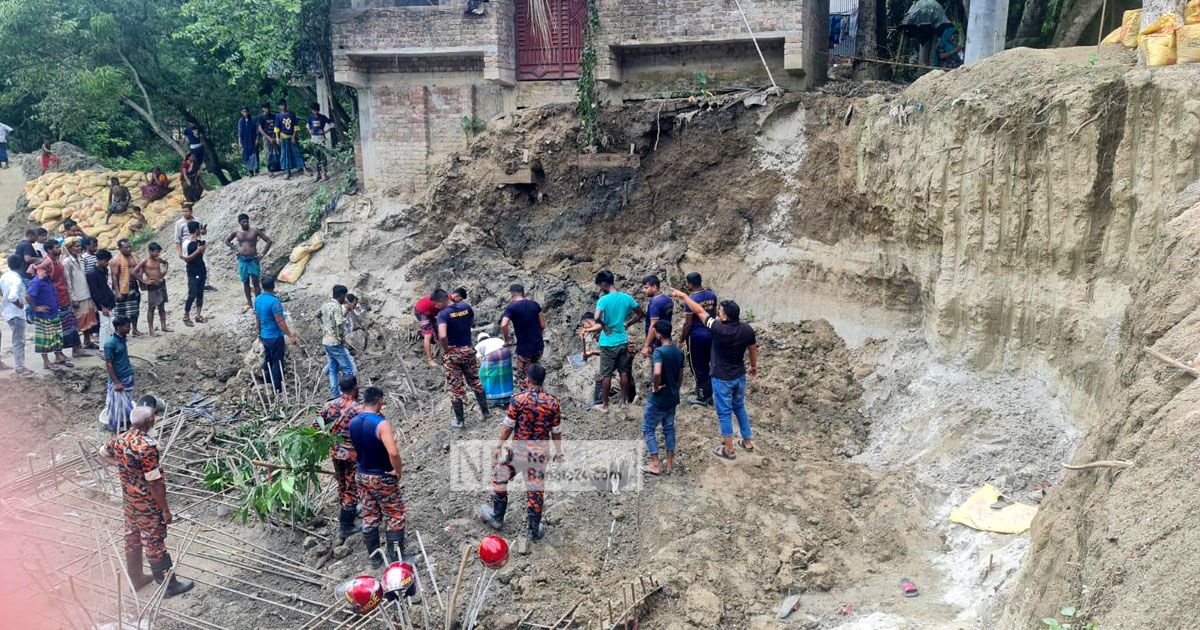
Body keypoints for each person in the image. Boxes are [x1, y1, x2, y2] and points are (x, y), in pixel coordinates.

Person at [99, 404, 195, 597]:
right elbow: (155, 483)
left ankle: (136, 579)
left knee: (132, 536)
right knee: (154, 541)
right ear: (150, 422)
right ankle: (169, 586)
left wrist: (124, 467)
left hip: (129, 500)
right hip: (147, 503)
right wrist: (165, 510)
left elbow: (103, 453)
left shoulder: (120, 438)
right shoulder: (147, 447)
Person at [479, 364, 563, 542]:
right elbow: (556, 430)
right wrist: (559, 451)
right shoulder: (553, 402)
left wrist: (498, 446)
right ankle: (533, 531)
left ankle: (497, 516)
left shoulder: (518, 400)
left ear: (527, 380)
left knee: (500, 477)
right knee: (535, 491)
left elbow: (508, 426)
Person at [672, 289, 759, 460]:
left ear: (725, 317)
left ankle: (729, 450)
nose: (717, 312)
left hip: (722, 378)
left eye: (720, 311)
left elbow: (698, 311)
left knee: (724, 412)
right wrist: (753, 366)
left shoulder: (718, 329)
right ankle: (747, 442)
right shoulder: (747, 329)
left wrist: (683, 297)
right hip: (739, 375)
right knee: (739, 407)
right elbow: (752, 348)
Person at [348, 386, 405, 568]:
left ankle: (375, 559)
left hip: (362, 474)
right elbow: (393, 453)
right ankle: (396, 559)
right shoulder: (382, 424)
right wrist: (398, 471)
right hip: (381, 475)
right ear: (379, 401)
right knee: (395, 514)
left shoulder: (353, 422)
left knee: (370, 515)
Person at [586, 270, 644, 411]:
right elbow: (641, 313)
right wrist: (628, 324)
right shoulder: (626, 298)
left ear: (604, 283)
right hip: (622, 340)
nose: (600, 288)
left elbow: (597, 317)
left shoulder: (603, 300)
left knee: (606, 374)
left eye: (600, 285)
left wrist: (604, 326)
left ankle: (605, 405)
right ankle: (623, 402)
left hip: (608, 342)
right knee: (623, 371)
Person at [318, 375, 363, 545]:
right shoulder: (359, 408)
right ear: (355, 389)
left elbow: (316, 426)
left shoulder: (328, 405)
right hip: (352, 454)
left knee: (342, 484)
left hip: (334, 451)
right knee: (352, 489)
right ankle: (346, 526)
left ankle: (347, 512)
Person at [438, 287, 489, 427]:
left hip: (453, 354)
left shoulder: (443, 314)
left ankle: (460, 421)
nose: (436, 307)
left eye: (436, 304)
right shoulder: (466, 307)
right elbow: (471, 323)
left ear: (442, 301)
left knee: (455, 388)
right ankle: (486, 412)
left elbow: (442, 335)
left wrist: (446, 349)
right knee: (475, 381)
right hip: (467, 350)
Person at [642, 320, 683, 476]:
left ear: (658, 334)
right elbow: (680, 374)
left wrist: (656, 386)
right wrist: (675, 388)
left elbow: (657, 372)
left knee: (648, 428)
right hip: (672, 397)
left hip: (658, 399)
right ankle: (669, 463)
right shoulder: (678, 352)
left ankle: (654, 464)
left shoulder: (659, 352)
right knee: (669, 428)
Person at [38, 241, 86, 358]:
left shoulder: (57, 262)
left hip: (64, 297)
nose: (60, 249)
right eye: (57, 247)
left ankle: (76, 349)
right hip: (55, 299)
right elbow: (38, 275)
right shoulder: (47, 262)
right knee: (59, 328)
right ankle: (59, 354)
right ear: (50, 250)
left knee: (72, 325)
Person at [678, 272, 717, 406]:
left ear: (690, 284)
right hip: (711, 333)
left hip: (696, 336)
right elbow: (713, 314)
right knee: (709, 364)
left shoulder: (691, 299)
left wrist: (682, 339)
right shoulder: (712, 295)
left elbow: (688, 323)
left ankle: (702, 397)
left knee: (697, 366)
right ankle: (710, 394)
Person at [254, 276, 297, 393]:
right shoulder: (274, 301)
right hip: (275, 337)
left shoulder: (258, 299)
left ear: (262, 286)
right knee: (277, 362)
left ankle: (267, 382)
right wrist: (290, 335)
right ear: (273, 286)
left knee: (268, 359)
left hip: (265, 336)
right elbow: (280, 321)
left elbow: (257, 318)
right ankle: (277, 388)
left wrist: (260, 333)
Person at [499, 284, 545, 394]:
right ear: (523, 293)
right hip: (538, 347)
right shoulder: (535, 305)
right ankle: (540, 400)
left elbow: (504, 324)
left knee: (524, 377)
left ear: (512, 294)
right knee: (536, 375)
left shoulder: (511, 308)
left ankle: (526, 402)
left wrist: (506, 340)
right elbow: (543, 325)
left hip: (524, 349)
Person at [225, 214, 272, 312]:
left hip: (253, 259)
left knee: (255, 281)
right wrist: (235, 249)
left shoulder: (254, 231)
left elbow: (268, 241)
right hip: (242, 260)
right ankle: (250, 303)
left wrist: (262, 254)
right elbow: (227, 241)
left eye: (247, 221)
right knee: (245, 282)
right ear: (239, 222)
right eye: (243, 222)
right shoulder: (236, 232)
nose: (246, 223)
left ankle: (258, 303)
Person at [317, 284, 356, 398]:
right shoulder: (336, 307)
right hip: (335, 342)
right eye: (344, 297)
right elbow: (339, 324)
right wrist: (341, 337)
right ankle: (349, 395)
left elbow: (317, 316)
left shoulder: (325, 305)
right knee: (349, 369)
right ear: (342, 295)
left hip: (326, 341)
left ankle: (335, 394)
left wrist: (323, 328)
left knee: (333, 368)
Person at [28, 264, 67, 370]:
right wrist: (36, 308)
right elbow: (28, 296)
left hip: (53, 313)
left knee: (56, 336)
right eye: (46, 268)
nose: (50, 270)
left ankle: (58, 356)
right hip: (44, 316)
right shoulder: (37, 281)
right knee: (44, 339)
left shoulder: (47, 280)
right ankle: (46, 362)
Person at [63, 238, 98, 350]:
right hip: (77, 296)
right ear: (69, 248)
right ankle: (76, 348)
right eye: (76, 246)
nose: (78, 248)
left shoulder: (81, 259)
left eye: (79, 246)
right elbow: (68, 282)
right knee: (79, 322)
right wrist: (73, 298)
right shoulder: (67, 262)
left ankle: (87, 342)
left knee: (89, 321)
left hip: (86, 293)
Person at [103, 316, 136, 432]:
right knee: (118, 404)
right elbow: (109, 364)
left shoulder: (122, 339)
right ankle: (118, 426)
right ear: (119, 327)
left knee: (125, 402)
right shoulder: (110, 344)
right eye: (127, 326)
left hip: (127, 376)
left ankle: (125, 423)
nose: (129, 329)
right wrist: (116, 382)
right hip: (120, 379)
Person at [1, 254, 31, 376]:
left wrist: (5, 300)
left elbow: (2, 292)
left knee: (17, 339)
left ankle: (20, 366)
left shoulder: (4, 276)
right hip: (16, 313)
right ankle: (20, 367)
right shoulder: (17, 280)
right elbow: (12, 296)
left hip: (7, 311)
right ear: (21, 265)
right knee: (19, 341)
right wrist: (20, 305)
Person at [133, 243, 171, 336]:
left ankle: (164, 326)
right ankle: (151, 330)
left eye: (159, 252)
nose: (158, 254)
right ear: (150, 251)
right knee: (151, 308)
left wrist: (164, 272)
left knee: (161, 306)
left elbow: (166, 263)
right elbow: (134, 272)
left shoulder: (158, 260)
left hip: (160, 284)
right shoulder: (145, 261)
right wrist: (143, 281)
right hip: (152, 286)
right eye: (156, 252)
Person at [111, 239, 142, 336]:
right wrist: (117, 291)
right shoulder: (116, 260)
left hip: (133, 285)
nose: (128, 249)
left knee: (135, 309)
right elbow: (114, 277)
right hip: (122, 286)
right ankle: (120, 332)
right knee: (121, 311)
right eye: (126, 247)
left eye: (130, 247)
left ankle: (135, 329)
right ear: (120, 249)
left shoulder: (134, 256)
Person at [88, 249, 116, 352]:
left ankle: (109, 344)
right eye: (105, 261)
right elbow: (95, 293)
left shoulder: (104, 270)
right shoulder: (92, 274)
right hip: (102, 302)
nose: (107, 263)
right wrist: (102, 306)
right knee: (104, 324)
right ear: (99, 260)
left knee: (110, 323)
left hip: (108, 299)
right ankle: (102, 348)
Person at [475, 332, 513, 409]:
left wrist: (486, 372)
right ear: (488, 337)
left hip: (492, 356)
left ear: (479, 340)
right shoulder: (497, 339)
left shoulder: (478, 346)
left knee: (483, 375)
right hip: (506, 353)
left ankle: (493, 398)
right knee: (505, 373)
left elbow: (481, 361)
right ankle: (507, 396)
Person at [413, 289, 449, 368]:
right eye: (435, 304)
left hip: (433, 312)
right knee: (428, 335)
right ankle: (430, 360)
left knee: (440, 332)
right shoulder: (438, 303)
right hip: (421, 311)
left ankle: (446, 354)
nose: (436, 305)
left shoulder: (447, 300)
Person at [640, 275, 673, 358]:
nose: (643, 290)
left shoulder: (655, 303)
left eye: (646, 288)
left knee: (658, 364)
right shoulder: (667, 299)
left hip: (657, 340)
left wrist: (646, 345)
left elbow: (653, 326)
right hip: (667, 338)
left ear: (654, 287)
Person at [182, 222, 207, 326]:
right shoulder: (186, 243)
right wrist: (198, 251)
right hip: (192, 271)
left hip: (201, 269)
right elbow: (186, 259)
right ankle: (186, 316)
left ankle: (198, 315)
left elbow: (201, 256)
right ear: (196, 229)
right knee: (192, 294)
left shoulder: (199, 242)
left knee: (200, 293)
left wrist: (201, 250)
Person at [274, 99, 306, 179]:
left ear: (286, 105)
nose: (283, 106)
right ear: (279, 106)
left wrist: (294, 137)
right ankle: (288, 172)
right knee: (285, 154)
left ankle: (304, 169)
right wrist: (277, 138)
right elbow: (277, 127)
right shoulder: (278, 116)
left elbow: (296, 126)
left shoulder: (292, 114)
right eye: (281, 105)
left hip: (292, 137)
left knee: (297, 152)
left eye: (284, 104)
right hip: (283, 137)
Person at [306, 103, 334, 181]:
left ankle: (324, 173)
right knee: (316, 157)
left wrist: (325, 132)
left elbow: (332, 125)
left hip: (321, 139)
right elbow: (307, 126)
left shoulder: (322, 117)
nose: (315, 112)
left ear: (319, 109)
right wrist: (310, 131)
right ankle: (317, 173)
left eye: (316, 110)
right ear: (312, 110)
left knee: (323, 156)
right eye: (314, 110)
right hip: (314, 139)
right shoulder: (310, 118)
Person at [258, 102, 281, 175]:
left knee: (278, 151)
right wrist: (268, 137)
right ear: (263, 109)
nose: (267, 109)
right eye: (266, 108)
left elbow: (278, 126)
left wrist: (275, 136)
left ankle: (278, 166)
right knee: (268, 152)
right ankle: (270, 169)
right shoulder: (261, 117)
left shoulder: (274, 116)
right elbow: (260, 129)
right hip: (266, 136)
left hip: (275, 135)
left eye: (268, 107)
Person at [237, 106, 260, 176]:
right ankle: (250, 171)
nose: (245, 113)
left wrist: (257, 139)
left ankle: (256, 170)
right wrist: (239, 142)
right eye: (244, 112)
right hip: (245, 141)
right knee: (246, 155)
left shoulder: (253, 119)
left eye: (246, 111)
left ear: (249, 112)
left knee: (254, 155)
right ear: (241, 112)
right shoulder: (240, 121)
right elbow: (239, 132)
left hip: (252, 139)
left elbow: (257, 130)